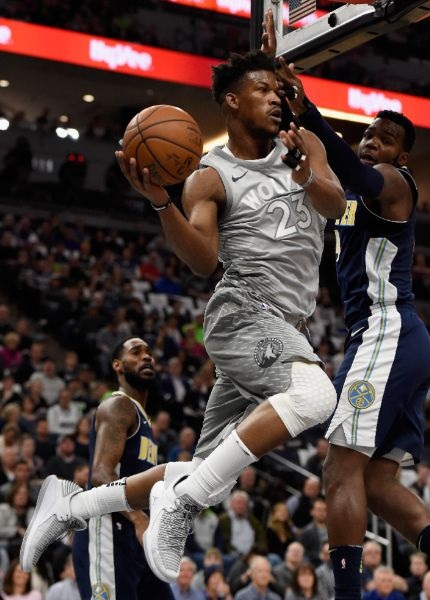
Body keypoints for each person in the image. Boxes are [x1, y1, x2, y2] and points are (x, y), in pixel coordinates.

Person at [18, 12, 345, 581]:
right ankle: (182, 502)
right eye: (262, 90)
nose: (275, 97)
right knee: (316, 397)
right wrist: (161, 203)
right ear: (232, 102)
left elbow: (334, 203)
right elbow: (202, 261)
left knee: (204, 471)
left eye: (278, 89)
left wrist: (304, 174)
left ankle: (70, 506)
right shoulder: (209, 175)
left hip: (286, 326)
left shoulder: (304, 144)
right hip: (244, 312)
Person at [278, 58, 430, 600]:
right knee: (376, 482)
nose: (372, 142)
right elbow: (325, 180)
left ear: (402, 156)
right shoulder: (349, 199)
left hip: (387, 334)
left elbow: (357, 172)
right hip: (400, 341)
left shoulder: (395, 182)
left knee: (339, 468)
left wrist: (309, 111)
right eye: (368, 134)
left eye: (385, 139)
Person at [71, 337, 174, 600]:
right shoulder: (118, 406)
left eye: (149, 352)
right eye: (136, 352)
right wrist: (139, 519)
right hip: (108, 527)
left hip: (135, 534)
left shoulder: (143, 419)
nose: (147, 357)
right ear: (118, 365)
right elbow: (101, 474)